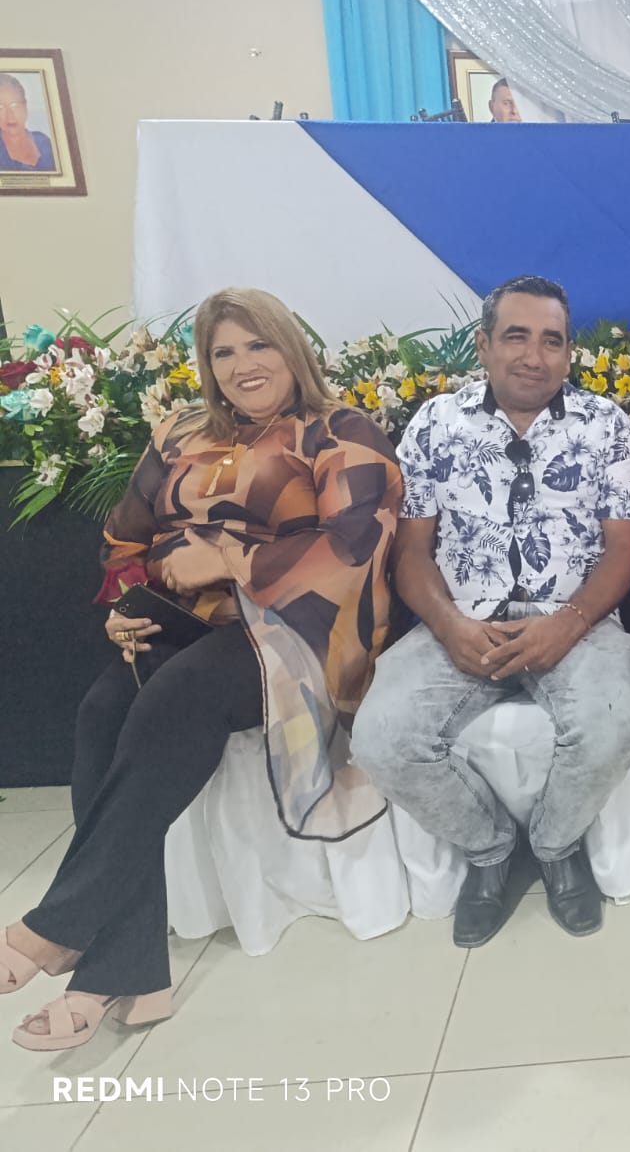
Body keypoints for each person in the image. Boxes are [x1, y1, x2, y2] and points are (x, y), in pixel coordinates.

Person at [2, 288, 401, 1051]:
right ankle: (129, 971)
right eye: (224, 352)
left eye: (259, 345)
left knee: (175, 697)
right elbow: (123, 540)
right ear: (206, 366)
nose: (243, 365)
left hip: (299, 635)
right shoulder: (179, 433)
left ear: (292, 348)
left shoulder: (342, 433)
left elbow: (353, 550)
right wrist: (123, 606)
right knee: (102, 711)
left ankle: (60, 928)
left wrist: (227, 559)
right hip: (185, 624)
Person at [350, 275, 630, 946]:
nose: (534, 356)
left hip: (576, 619)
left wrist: (569, 623)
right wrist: (448, 625)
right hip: (462, 618)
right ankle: (489, 850)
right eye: (516, 337)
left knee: (610, 725)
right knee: (382, 739)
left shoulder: (606, 425)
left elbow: (625, 549)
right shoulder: (437, 423)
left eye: (552, 341)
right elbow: (411, 551)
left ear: (568, 353)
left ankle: (554, 846)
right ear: (483, 346)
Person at [0, 73, 57, 171]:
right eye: (0, 107)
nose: (10, 115)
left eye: (15, 105)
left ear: (25, 107)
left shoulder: (44, 142)